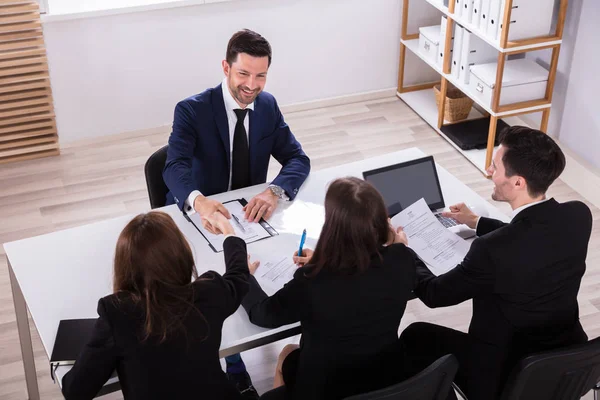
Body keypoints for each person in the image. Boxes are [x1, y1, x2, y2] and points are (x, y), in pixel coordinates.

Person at [162, 29, 310, 397]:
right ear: (226, 67)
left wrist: (275, 190)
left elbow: (297, 158)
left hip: (248, 218)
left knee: (273, 269)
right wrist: (198, 200)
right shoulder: (192, 109)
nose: (252, 84)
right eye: (244, 74)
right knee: (211, 289)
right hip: (201, 216)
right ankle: (231, 360)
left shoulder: (268, 106)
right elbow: (173, 167)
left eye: (260, 75)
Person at [399, 126, 593, 400]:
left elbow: (434, 294)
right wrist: (476, 222)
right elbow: (529, 235)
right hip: (565, 363)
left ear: (518, 182)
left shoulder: (491, 251)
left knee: (415, 335)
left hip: (506, 372)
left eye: (495, 166)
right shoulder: (578, 215)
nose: (489, 171)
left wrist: (404, 251)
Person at [239, 177, 417, 400]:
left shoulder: (313, 279)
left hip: (326, 388)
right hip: (383, 377)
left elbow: (262, 314)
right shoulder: (402, 258)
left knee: (287, 354)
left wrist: (242, 274)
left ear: (332, 227)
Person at [61, 211, 256, 400]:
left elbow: (76, 390)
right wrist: (227, 230)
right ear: (182, 255)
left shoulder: (116, 313)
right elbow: (238, 275)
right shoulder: (210, 291)